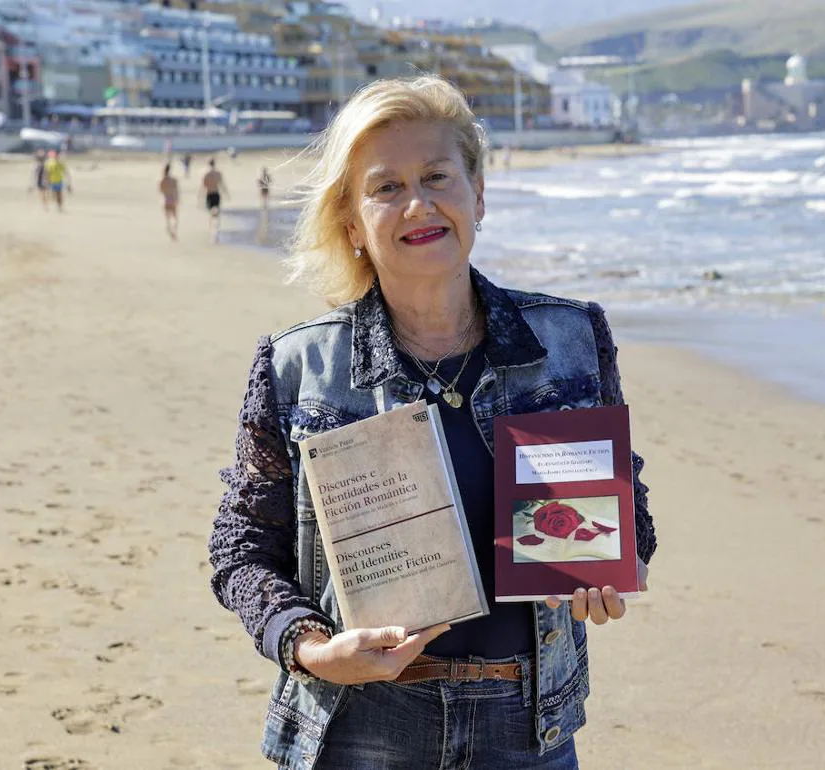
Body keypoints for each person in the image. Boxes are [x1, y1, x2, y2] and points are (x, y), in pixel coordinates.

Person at [208, 75, 656, 769]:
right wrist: (311, 647)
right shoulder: (297, 365)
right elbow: (240, 548)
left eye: (438, 176)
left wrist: (614, 570)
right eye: (386, 187)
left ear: (478, 194)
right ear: (352, 223)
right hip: (360, 728)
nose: (419, 203)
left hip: (527, 729)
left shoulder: (569, 339)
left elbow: (629, 514)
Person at [199, 158, 229, 243]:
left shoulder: (205, 174)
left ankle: (211, 230)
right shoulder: (218, 173)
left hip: (209, 194)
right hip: (216, 194)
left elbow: (203, 186)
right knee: (217, 214)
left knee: (211, 214)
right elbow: (222, 184)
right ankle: (216, 230)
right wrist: (226, 193)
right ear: (214, 164)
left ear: (209, 164)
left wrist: (200, 197)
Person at [44, 148, 71, 213]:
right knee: (53, 195)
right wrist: (47, 180)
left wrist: (68, 180)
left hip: (59, 180)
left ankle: (59, 207)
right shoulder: (48, 163)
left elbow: (65, 171)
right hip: (51, 181)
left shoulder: (60, 163)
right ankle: (52, 204)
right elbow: (47, 172)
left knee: (59, 194)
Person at [159, 163, 180, 241]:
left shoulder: (162, 180)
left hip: (165, 199)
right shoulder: (174, 180)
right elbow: (176, 191)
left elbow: (160, 191)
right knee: (174, 217)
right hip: (173, 199)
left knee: (167, 218)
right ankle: (174, 232)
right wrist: (177, 199)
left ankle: (170, 230)